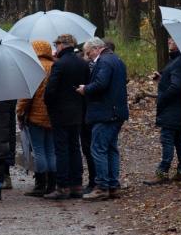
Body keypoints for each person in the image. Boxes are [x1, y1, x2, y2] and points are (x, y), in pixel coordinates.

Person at [77, 37, 129, 199]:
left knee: (98, 148)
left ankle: (102, 186)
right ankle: (113, 185)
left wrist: (85, 89)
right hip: (116, 111)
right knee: (111, 148)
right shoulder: (117, 60)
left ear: (97, 48)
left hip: (105, 112)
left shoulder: (104, 62)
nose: (88, 56)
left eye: (88, 52)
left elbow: (101, 84)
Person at [44, 33, 89, 199]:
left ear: (63, 45)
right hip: (78, 111)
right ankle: (77, 185)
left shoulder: (59, 65)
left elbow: (50, 90)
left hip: (60, 113)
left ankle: (62, 186)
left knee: (61, 149)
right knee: (75, 147)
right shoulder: (82, 63)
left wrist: (49, 105)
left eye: (57, 45)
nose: (56, 48)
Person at [147, 37, 181, 182]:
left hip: (173, 109)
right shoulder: (179, 60)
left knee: (167, 138)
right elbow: (175, 81)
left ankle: (163, 171)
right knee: (178, 139)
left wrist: (162, 97)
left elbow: (177, 86)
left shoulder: (180, 63)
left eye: (173, 40)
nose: (168, 41)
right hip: (177, 109)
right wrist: (162, 78)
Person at [17, 38, 56, 196]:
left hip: (35, 116)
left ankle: (41, 184)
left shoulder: (33, 68)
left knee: (39, 151)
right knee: (51, 151)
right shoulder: (55, 66)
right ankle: (53, 184)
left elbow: (27, 95)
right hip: (53, 116)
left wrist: (20, 112)